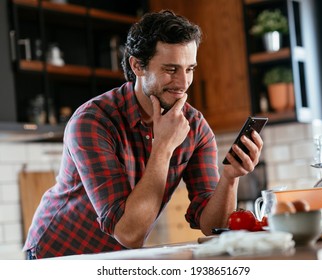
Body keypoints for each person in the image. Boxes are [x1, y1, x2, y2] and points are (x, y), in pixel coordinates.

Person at [23, 10, 263, 259]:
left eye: (189, 69)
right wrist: (164, 146)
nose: (183, 83)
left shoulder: (195, 127)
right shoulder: (93, 121)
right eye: (171, 69)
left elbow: (213, 226)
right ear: (137, 65)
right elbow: (129, 233)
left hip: (116, 258)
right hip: (57, 256)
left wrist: (230, 177)